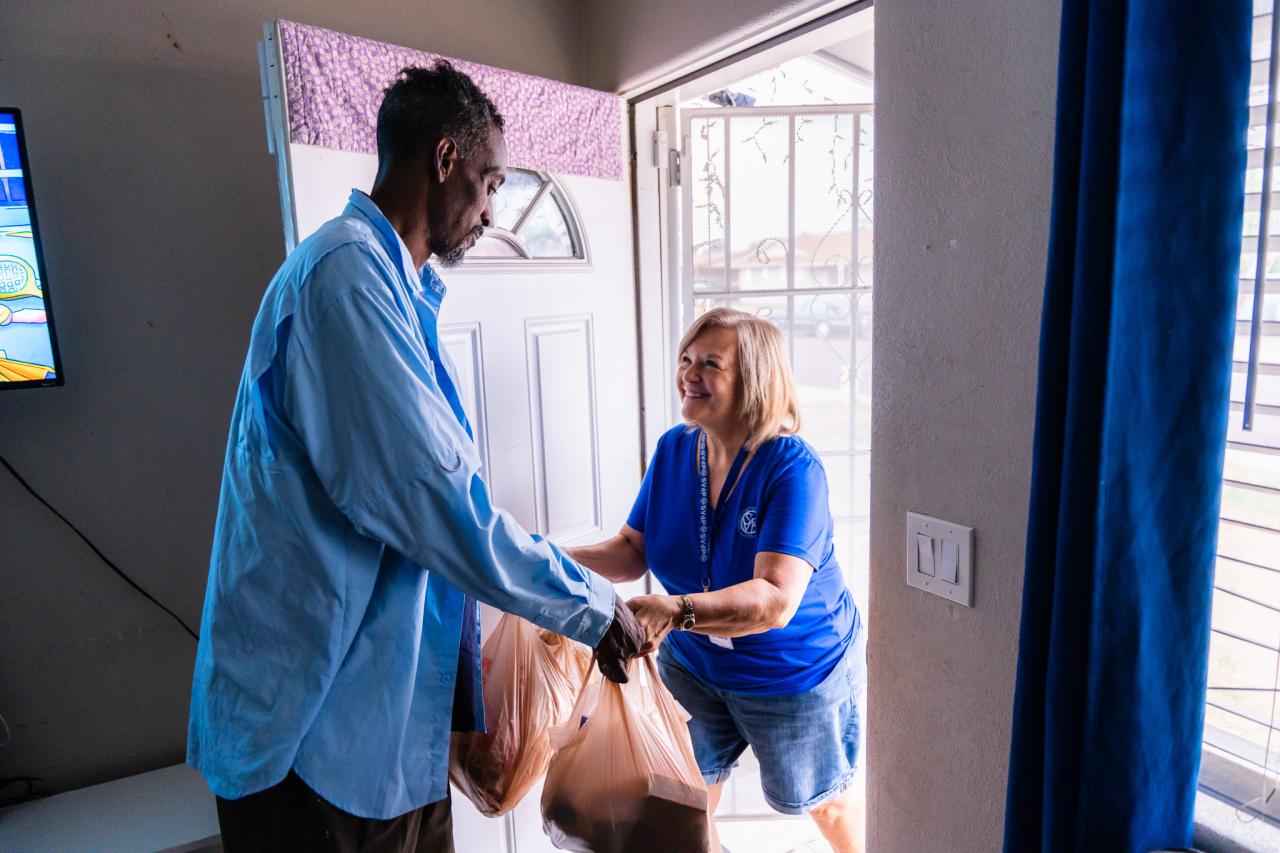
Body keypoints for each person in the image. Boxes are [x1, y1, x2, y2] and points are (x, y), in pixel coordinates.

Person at [187, 61, 642, 853]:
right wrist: (590, 604)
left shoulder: (393, 290)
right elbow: (438, 502)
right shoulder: (347, 285)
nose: (493, 210)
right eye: (489, 181)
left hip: (378, 729)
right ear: (442, 160)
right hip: (317, 738)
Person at [568, 308, 866, 853]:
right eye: (685, 359)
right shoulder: (674, 449)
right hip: (695, 664)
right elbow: (632, 551)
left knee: (823, 802)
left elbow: (776, 599)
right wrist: (543, 561)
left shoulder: (792, 469)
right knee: (684, 799)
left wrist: (675, 610)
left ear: (754, 377)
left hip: (790, 673)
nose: (688, 373)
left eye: (710, 363)